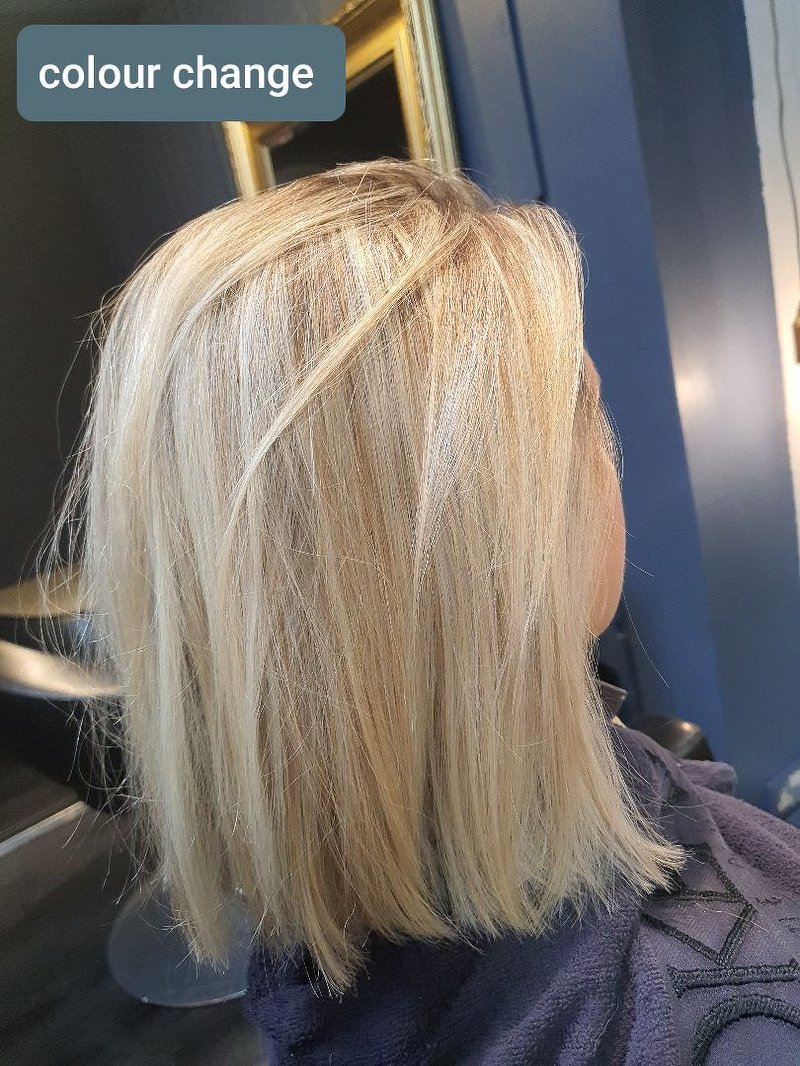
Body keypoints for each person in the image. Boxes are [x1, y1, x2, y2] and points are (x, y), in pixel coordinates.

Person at [43, 158, 800, 1064]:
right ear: (510, 538)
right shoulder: (735, 1013)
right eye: (588, 415)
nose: (611, 457)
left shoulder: (327, 953)